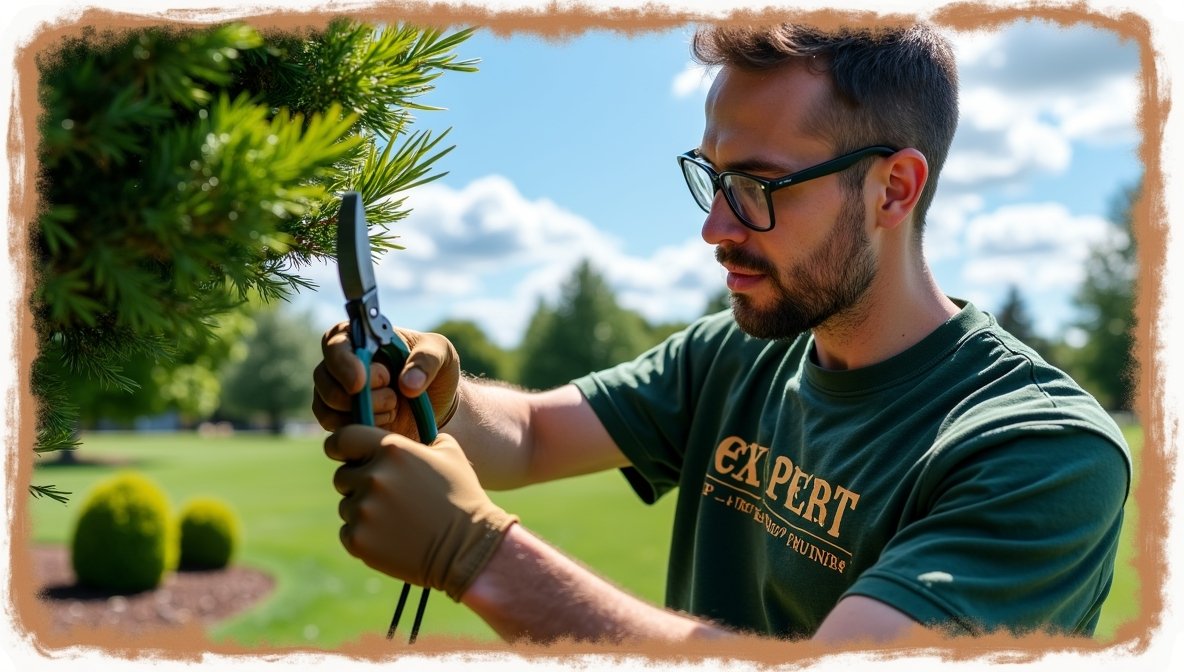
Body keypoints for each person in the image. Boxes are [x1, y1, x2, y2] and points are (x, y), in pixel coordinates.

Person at [312, 22, 1131, 645]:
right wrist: (434, 397)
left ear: (893, 188)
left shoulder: (1040, 452)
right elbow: (528, 437)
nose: (714, 227)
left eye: (757, 185)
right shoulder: (740, 352)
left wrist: (475, 554)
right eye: (712, 176)